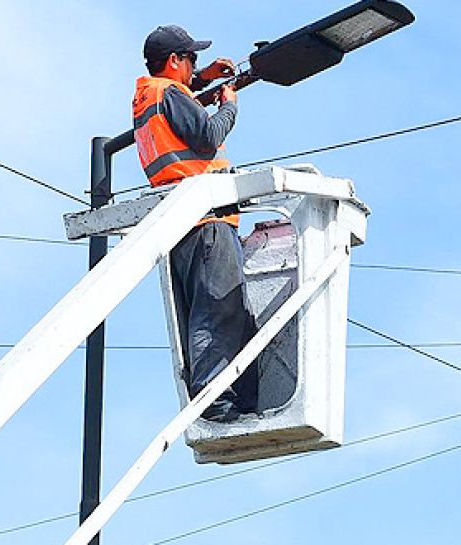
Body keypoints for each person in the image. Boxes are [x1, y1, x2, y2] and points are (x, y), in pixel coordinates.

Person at [133, 25, 258, 423]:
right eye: (192, 60)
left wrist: (204, 79)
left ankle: (224, 396)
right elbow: (205, 136)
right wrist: (230, 106)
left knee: (210, 311)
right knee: (218, 310)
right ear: (174, 61)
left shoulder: (150, 96)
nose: (195, 66)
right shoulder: (169, 93)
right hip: (208, 222)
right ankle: (214, 400)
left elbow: (181, 112)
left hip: (184, 222)